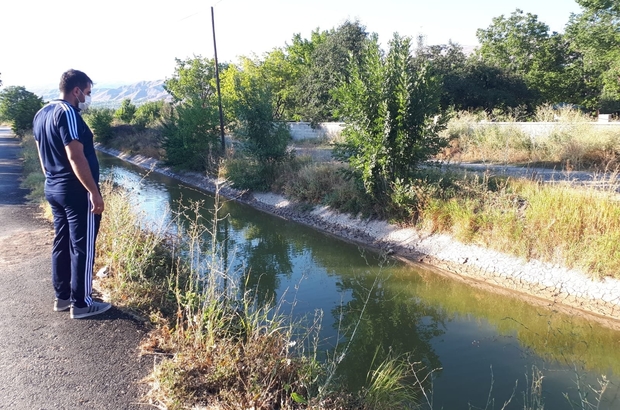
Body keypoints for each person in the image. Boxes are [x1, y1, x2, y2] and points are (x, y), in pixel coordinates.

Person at [33, 69, 111, 319]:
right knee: (83, 246)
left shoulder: (41, 114)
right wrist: (94, 192)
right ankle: (82, 304)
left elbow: (42, 155)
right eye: (87, 92)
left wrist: (53, 180)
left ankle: (63, 297)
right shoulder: (68, 114)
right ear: (76, 90)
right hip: (76, 192)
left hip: (54, 188)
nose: (87, 98)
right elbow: (75, 156)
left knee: (61, 242)